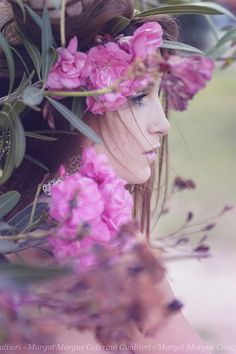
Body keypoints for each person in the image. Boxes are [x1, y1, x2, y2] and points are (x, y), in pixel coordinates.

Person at [0, 0, 214, 352]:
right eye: (139, 97)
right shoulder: (94, 253)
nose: (162, 125)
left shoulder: (37, 236)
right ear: (70, 103)